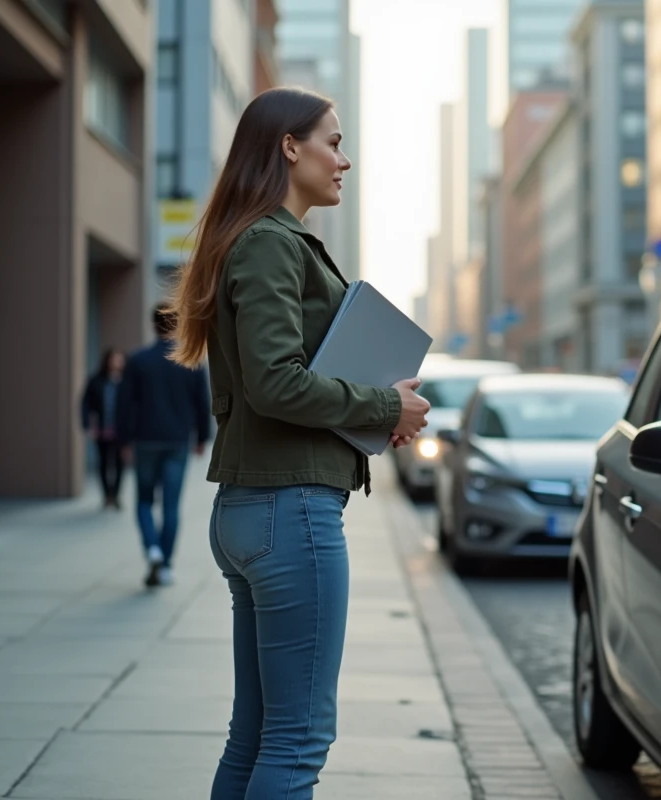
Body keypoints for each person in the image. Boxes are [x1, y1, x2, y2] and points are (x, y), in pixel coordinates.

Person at [163, 87, 430, 800]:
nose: (344, 160)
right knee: (297, 739)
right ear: (290, 146)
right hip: (291, 515)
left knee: (255, 736)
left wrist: (382, 416)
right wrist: (382, 401)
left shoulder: (254, 240)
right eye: (333, 142)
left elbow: (281, 378)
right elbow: (275, 383)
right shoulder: (270, 243)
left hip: (260, 509)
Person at [119, 303, 211, 588]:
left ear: (152, 325)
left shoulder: (137, 360)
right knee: (171, 505)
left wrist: (124, 440)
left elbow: (124, 405)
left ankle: (152, 550)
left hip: (145, 439)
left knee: (144, 501)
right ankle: (167, 563)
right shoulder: (191, 361)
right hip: (177, 441)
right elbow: (202, 403)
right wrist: (201, 438)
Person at [80, 348, 126, 509]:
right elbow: (85, 403)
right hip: (102, 429)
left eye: (119, 359)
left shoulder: (126, 381)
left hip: (121, 431)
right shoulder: (97, 380)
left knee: (120, 464)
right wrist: (87, 425)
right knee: (104, 463)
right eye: (114, 359)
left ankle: (116, 495)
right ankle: (107, 495)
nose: (117, 362)